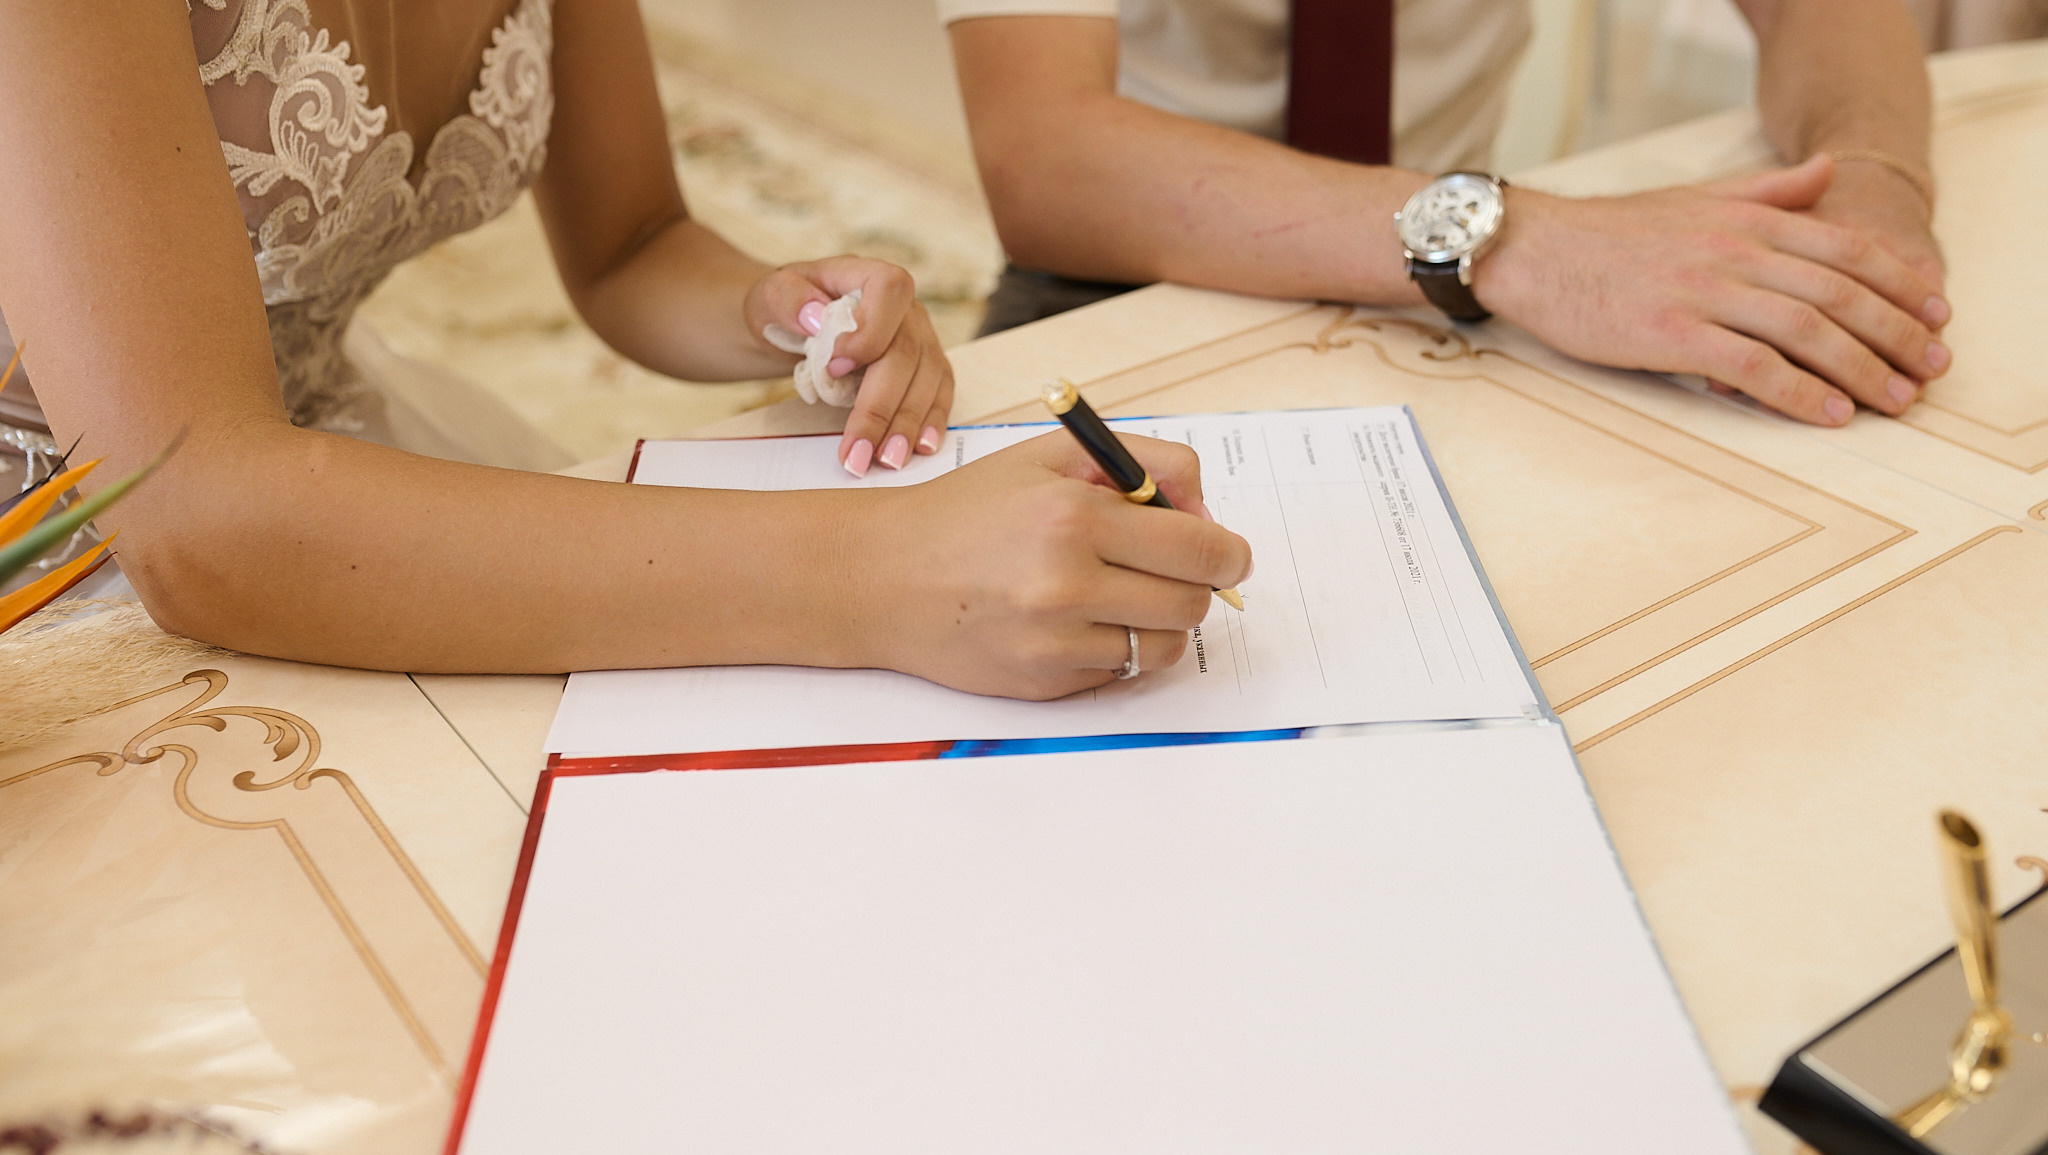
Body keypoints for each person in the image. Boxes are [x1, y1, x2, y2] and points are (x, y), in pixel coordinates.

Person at [0, 0, 1249, 699]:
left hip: (307, 453)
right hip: (63, 548)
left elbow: (632, 241)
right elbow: (200, 512)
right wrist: (882, 568)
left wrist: (775, 308)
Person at [946, 0, 1952, 429]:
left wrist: (1871, 178)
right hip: (1130, 261)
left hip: (1450, 288)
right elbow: (1047, 158)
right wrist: (1518, 240)